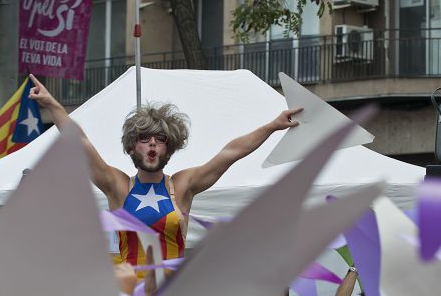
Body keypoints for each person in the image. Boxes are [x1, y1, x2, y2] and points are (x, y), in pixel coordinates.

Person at [28, 74, 301, 274]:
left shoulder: (183, 186)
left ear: (169, 145)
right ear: (132, 145)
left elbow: (230, 153)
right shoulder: (118, 186)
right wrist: (53, 105)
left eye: (159, 139)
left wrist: (272, 126)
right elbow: (81, 142)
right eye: (144, 138)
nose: (152, 144)